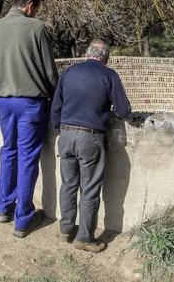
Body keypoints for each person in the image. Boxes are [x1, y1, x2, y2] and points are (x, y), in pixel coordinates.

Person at [0, 0, 58, 238]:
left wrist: (0, 90)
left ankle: (3, 207)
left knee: (9, 151)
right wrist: (55, 94)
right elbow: (49, 73)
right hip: (30, 103)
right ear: (29, 5)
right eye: (36, 8)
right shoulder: (36, 28)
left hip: (3, 101)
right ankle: (23, 218)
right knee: (27, 158)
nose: (35, 12)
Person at [50, 40, 131, 253]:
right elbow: (123, 110)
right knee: (90, 189)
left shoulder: (68, 73)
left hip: (66, 136)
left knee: (68, 184)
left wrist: (61, 131)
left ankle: (65, 229)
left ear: (87, 54)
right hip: (91, 138)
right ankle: (85, 237)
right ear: (105, 57)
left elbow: (55, 107)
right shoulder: (108, 75)